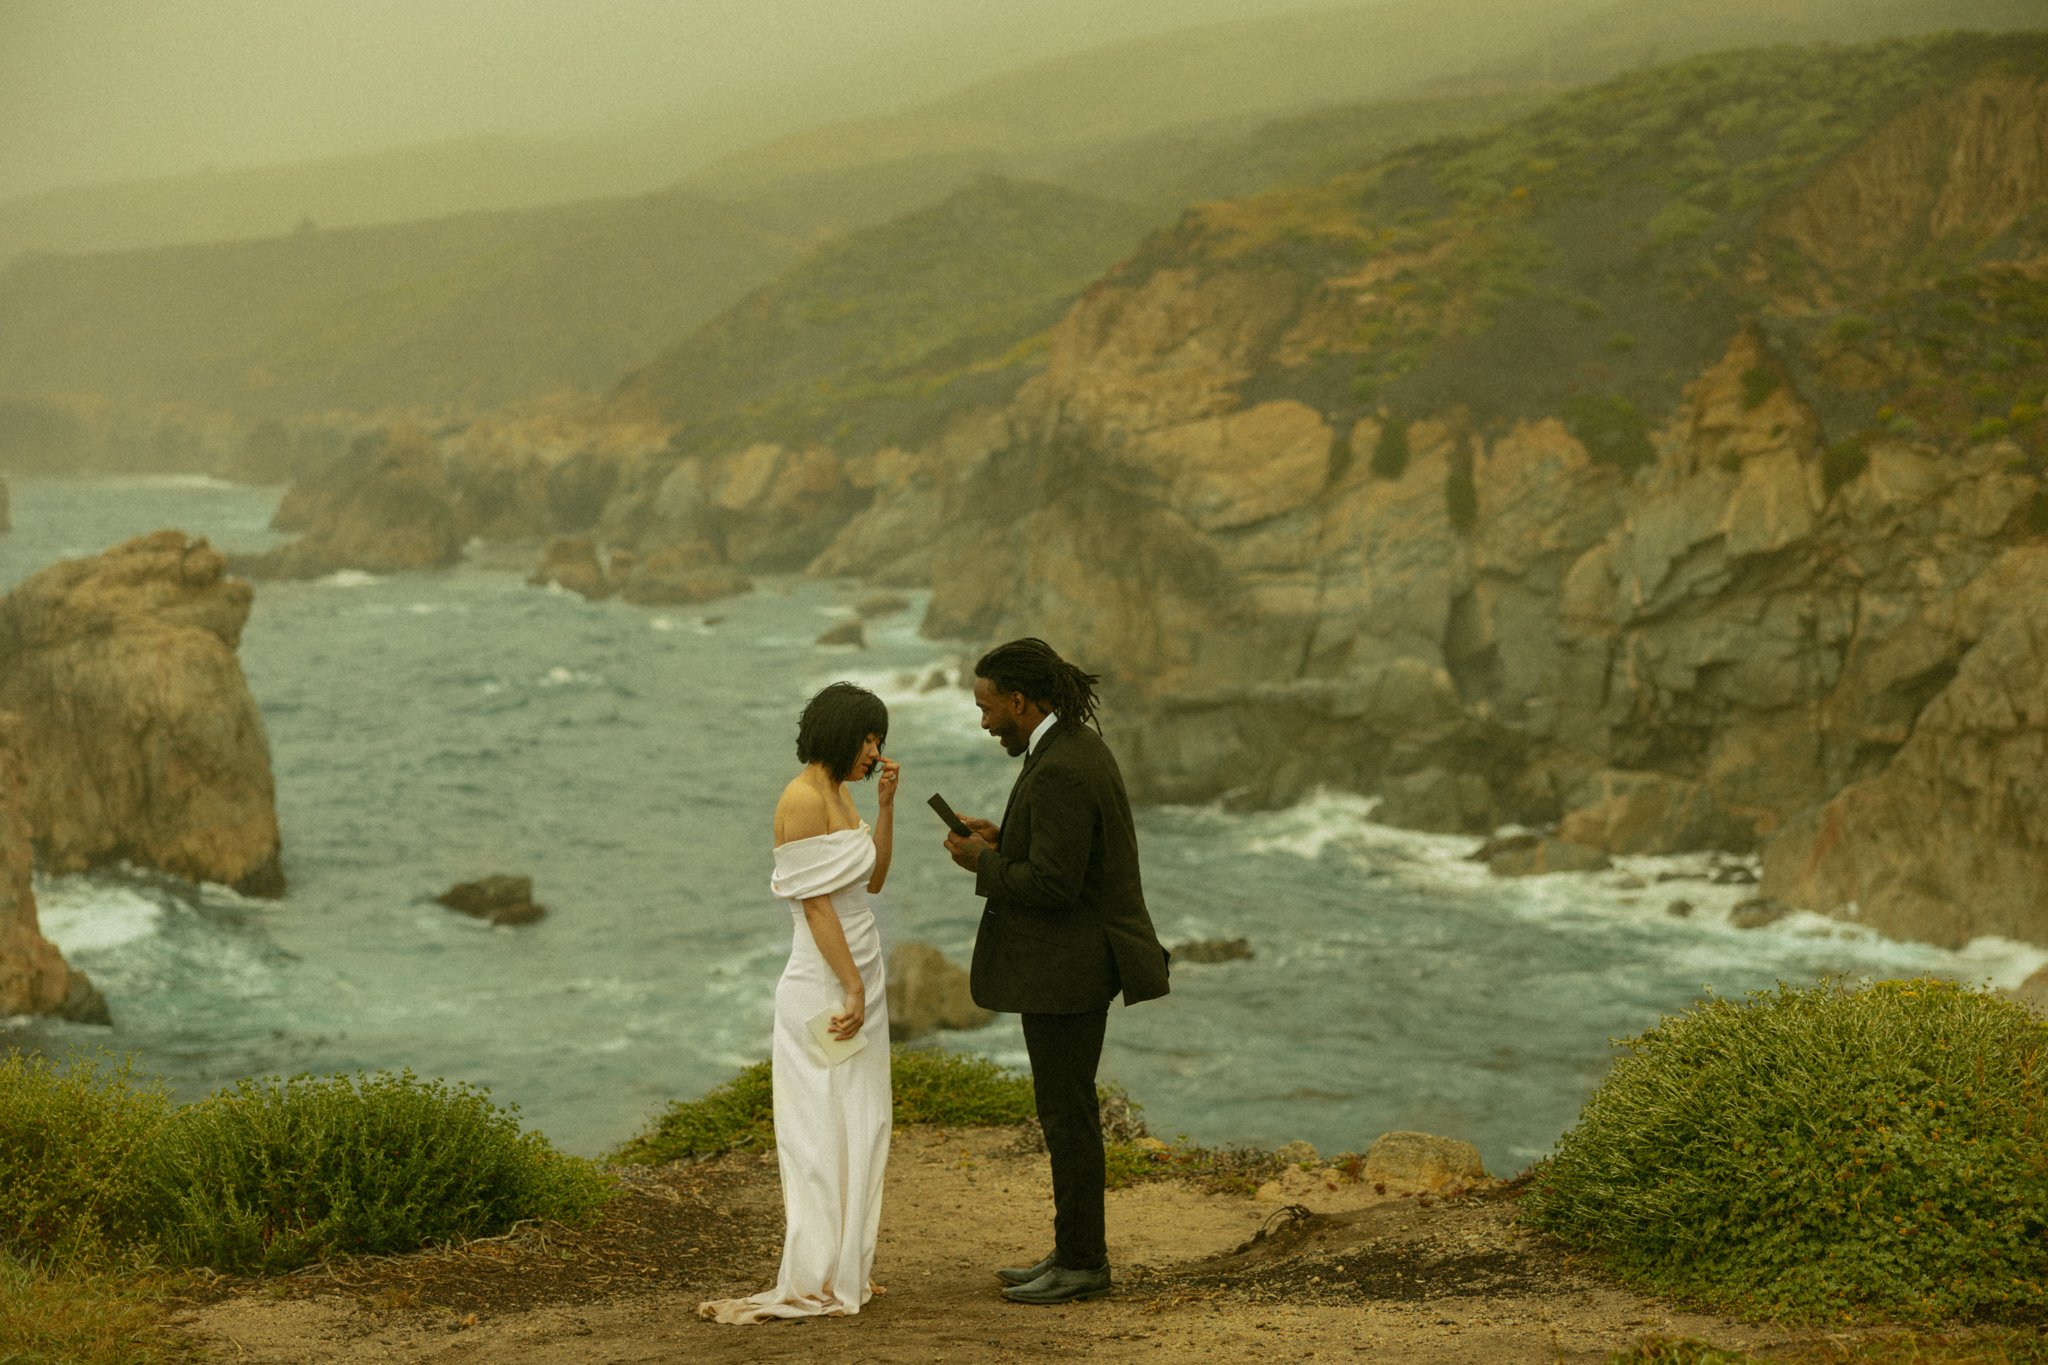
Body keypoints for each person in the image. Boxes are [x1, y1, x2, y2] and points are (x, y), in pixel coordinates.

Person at [942, 638, 1170, 1305]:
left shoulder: (1064, 764)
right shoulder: (1067, 745)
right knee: (1064, 1111)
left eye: (988, 707)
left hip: (1070, 970)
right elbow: (1062, 855)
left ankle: (1084, 1262)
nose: (983, 721)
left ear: (1019, 699)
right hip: (1070, 966)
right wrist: (1003, 839)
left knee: (1068, 1116)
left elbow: (1054, 884)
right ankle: (1072, 1250)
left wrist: (980, 863)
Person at [699, 681, 899, 1324]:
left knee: (864, 1124)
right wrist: (852, 987)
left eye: (879, 742)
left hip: (856, 974)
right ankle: (815, 1274)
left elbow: (869, 882)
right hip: (825, 986)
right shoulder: (803, 798)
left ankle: (849, 1267)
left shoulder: (842, 794)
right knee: (818, 1134)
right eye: (870, 739)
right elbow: (814, 906)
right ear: (844, 734)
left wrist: (887, 807)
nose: (875, 753)